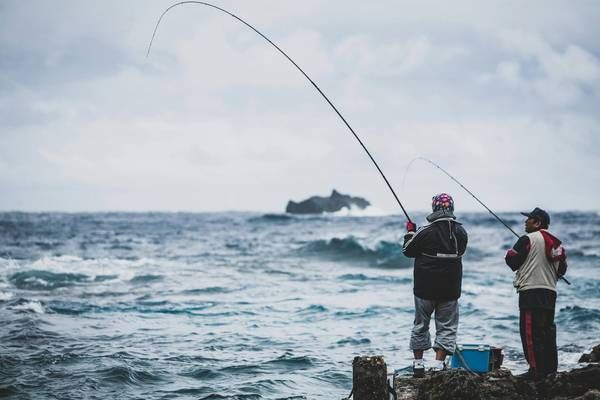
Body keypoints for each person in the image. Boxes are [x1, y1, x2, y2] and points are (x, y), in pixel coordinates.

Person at [403, 193, 468, 377]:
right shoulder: (461, 232)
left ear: (434, 208)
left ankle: (418, 365)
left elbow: (407, 251)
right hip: (450, 289)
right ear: (452, 209)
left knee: (420, 325)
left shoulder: (425, 231)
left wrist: (409, 233)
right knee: (446, 326)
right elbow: (461, 250)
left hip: (425, 289)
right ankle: (439, 365)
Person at [505, 207, 568, 379]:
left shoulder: (527, 238)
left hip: (531, 292)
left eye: (529, 219)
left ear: (538, 222)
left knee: (530, 333)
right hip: (550, 293)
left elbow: (512, 261)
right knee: (547, 331)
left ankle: (535, 371)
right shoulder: (557, 243)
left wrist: (515, 251)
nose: (525, 221)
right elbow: (562, 270)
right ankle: (550, 370)